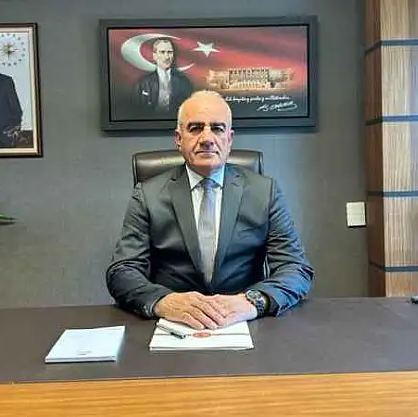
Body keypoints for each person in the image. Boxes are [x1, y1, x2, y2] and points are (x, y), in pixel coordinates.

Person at [106, 90, 314, 330]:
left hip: (243, 323)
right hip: (173, 326)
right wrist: (163, 301)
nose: (207, 138)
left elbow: (295, 268)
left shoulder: (264, 192)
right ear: (178, 139)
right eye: (195, 128)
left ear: (230, 139)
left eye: (217, 128)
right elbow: (122, 271)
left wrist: (253, 302)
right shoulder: (147, 195)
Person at [131, 37, 194, 115]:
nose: (166, 57)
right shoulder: (143, 83)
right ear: (154, 56)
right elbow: (136, 110)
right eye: (162, 52)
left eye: (169, 52)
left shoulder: (184, 82)